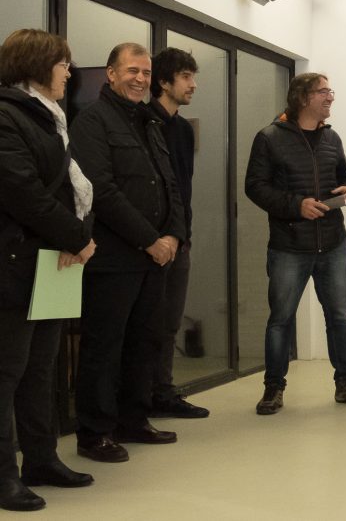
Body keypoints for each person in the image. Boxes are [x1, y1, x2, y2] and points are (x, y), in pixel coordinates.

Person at [70, 42, 184, 463]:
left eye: (145, 72)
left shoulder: (149, 121)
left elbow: (169, 184)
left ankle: (133, 420)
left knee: (145, 341)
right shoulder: (92, 121)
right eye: (132, 70)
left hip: (154, 257)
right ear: (111, 74)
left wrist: (174, 235)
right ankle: (95, 433)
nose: (140, 79)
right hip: (114, 258)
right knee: (104, 347)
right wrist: (150, 240)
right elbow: (100, 190)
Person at [0, 30, 96, 512]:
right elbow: (22, 191)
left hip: (51, 261)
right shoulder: (6, 115)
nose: (69, 72)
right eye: (63, 63)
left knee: (41, 370)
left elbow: (72, 187)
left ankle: (41, 460)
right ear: (37, 64)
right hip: (15, 263)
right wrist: (77, 238)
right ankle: (3, 477)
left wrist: (76, 238)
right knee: (7, 374)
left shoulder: (51, 117)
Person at [245, 72, 346, 415]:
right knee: (281, 319)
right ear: (303, 97)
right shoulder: (269, 137)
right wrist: (296, 205)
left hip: (333, 244)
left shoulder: (332, 137)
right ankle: (273, 388)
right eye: (323, 91)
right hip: (289, 245)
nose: (330, 97)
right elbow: (255, 186)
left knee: (339, 318)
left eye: (330, 91)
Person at [145, 48, 208, 419]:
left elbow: (183, 189)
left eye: (192, 76)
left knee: (169, 323)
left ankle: (162, 393)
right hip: (149, 242)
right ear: (164, 82)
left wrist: (183, 235)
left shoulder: (183, 130)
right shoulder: (143, 123)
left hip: (179, 239)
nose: (193, 84)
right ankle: (138, 398)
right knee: (146, 325)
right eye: (185, 77)